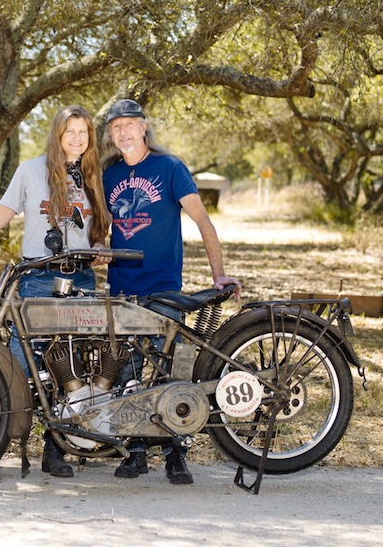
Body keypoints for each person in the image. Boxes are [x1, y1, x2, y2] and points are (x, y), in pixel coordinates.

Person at [0, 105, 111, 480]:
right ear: (57, 134)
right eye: (71, 131)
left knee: (71, 365)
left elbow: (97, 231)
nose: (78, 138)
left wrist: (98, 249)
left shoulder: (93, 175)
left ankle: (55, 449)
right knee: (15, 365)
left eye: (84, 132)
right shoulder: (31, 171)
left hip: (79, 281)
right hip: (36, 278)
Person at [100, 98, 242, 485]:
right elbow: (104, 228)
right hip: (122, 291)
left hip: (164, 289)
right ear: (111, 135)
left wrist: (219, 274)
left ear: (144, 127)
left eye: (130, 125)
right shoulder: (108, 175)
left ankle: (176, 454)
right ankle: (136, 452)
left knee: (170, 374)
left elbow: (203, 222)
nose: (123, 132)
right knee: (128, 375)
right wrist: (97, 250)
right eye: (116, 127)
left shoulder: (169, 167)